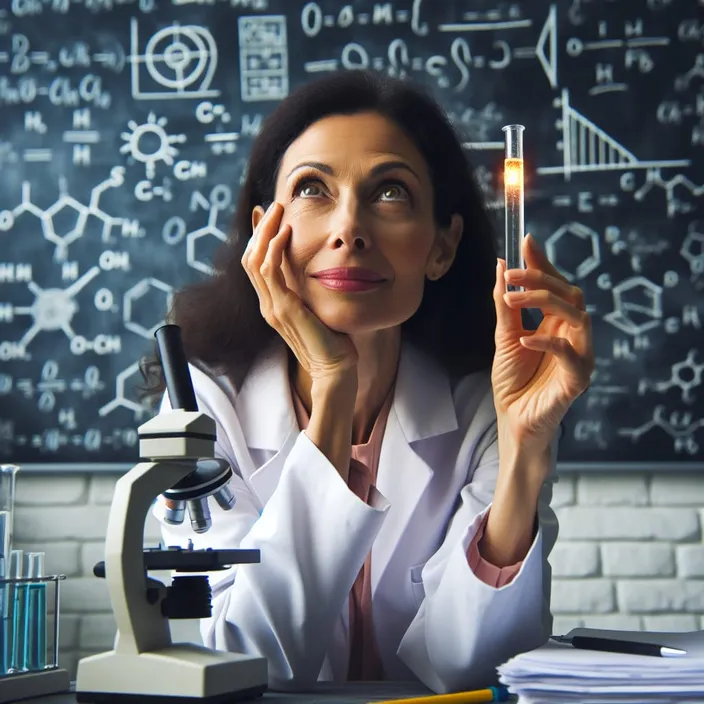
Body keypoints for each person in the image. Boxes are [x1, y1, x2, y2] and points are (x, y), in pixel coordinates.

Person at [144, 69, 594, 693]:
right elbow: (252, 662)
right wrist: (333, 385)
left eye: (390, 193)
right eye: (311, 189)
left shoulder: (487, 402)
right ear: (262, 236)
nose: (348, 229)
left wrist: (522, 454)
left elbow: (476, 673)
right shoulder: (203, 406)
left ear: (442, 246)